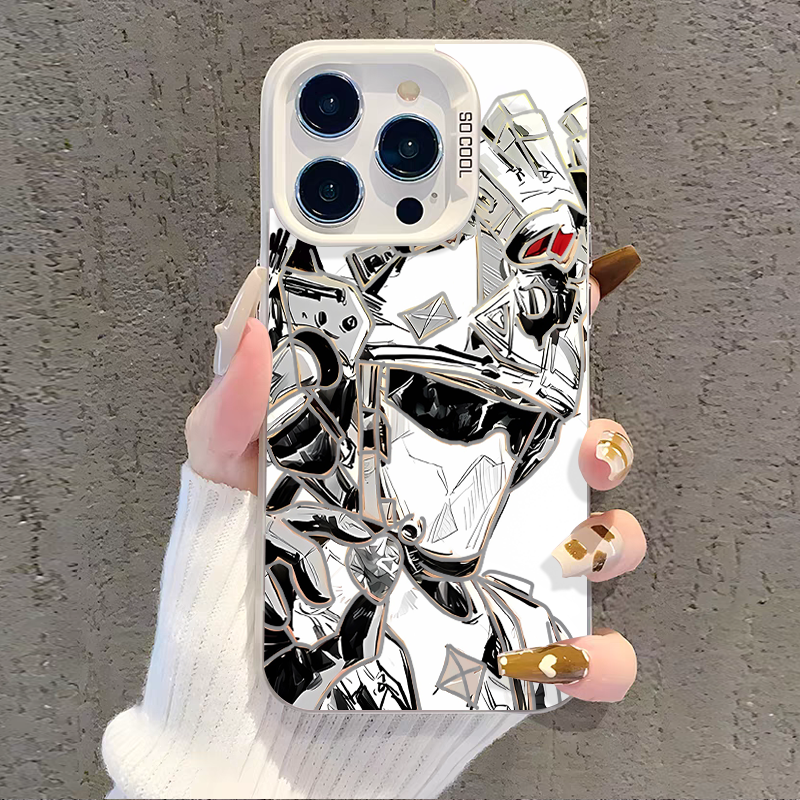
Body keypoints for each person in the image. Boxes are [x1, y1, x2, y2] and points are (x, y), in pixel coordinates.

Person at [101, 255, 644, 799]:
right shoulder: (288, 575)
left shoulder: (515, 631)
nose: (486, 465)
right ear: (357, 406)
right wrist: (216, 749)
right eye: (440, 407)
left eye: (525, 431)